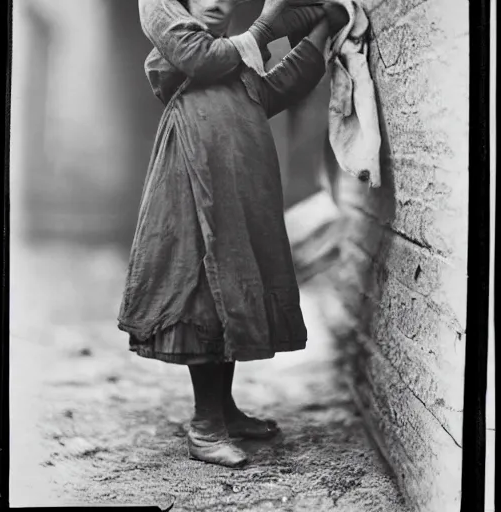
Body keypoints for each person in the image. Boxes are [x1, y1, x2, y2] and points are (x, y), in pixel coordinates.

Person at [118, 0, 348, 468]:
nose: (216, 2)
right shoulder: (176, 45)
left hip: (238, 188)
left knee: (233, 289)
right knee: (202, 293)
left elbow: (275, 89)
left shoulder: (234, 58)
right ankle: (205, 427)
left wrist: (323, 24)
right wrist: (268, 26)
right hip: (192, 181)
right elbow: (203, 57)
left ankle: (225, 410)